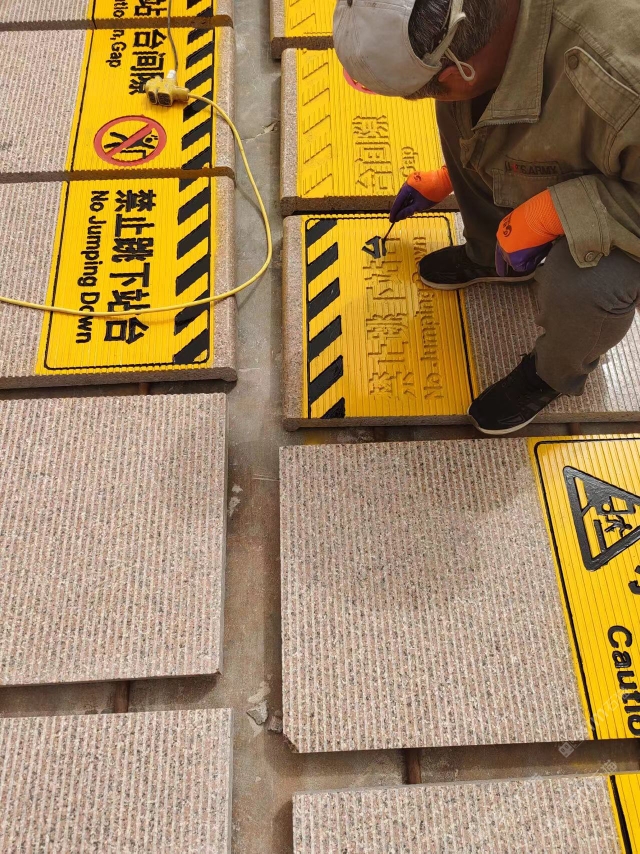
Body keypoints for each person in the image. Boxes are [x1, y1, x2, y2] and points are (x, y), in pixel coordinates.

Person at [333, 0, 640, 435]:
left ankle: (552, 374)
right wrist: (449, 175)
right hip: (617, 146)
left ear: (457, 71)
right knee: (463, 110)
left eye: (432, 89)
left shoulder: (622, 84)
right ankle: (488, 252)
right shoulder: (494, 30)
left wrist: (559, 211)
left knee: (587, 281)